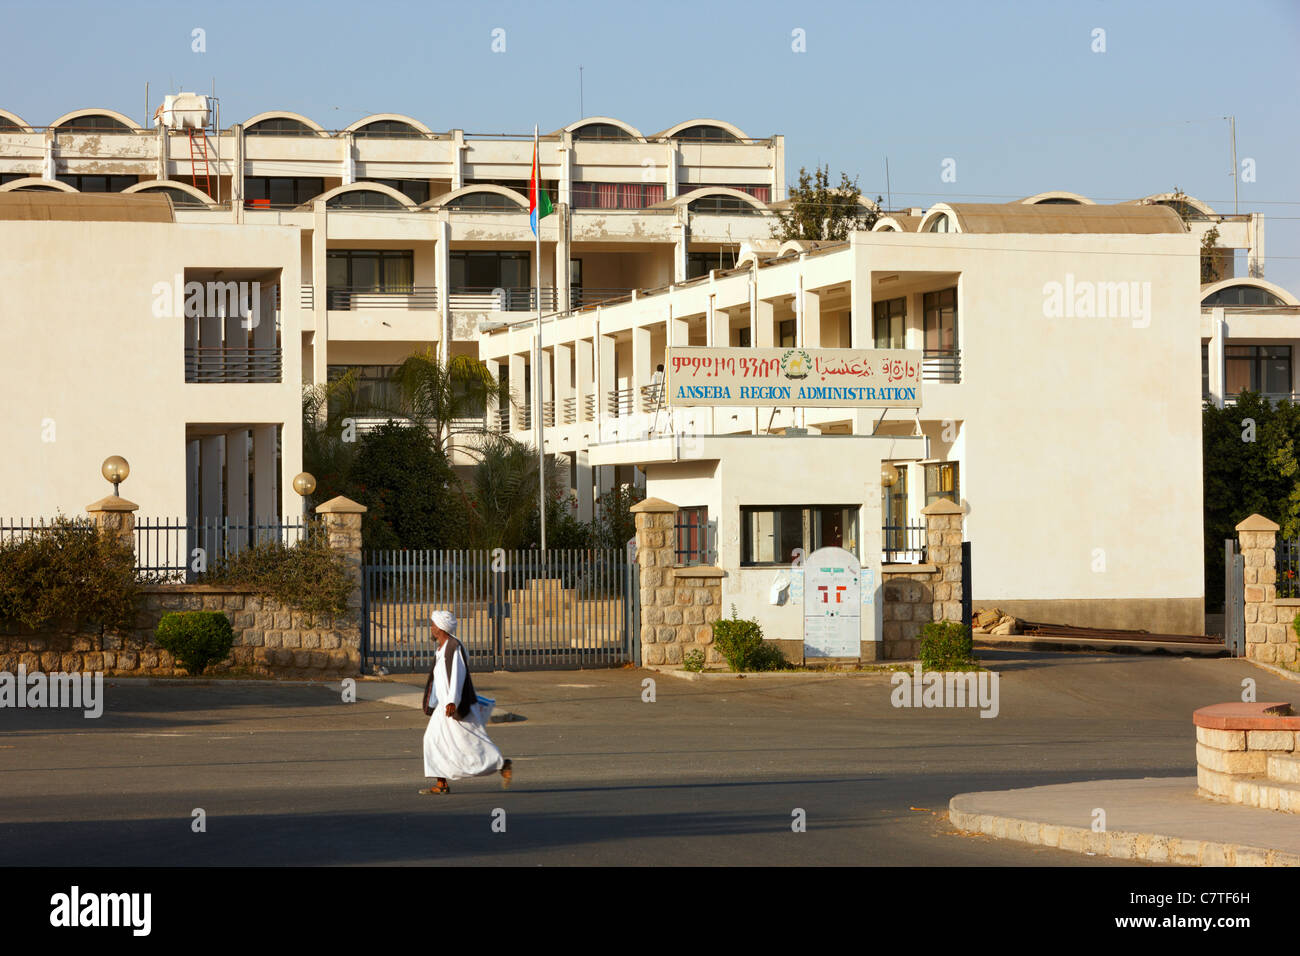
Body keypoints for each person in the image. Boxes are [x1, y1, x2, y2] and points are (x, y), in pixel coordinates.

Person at [419, 610, 512, 795]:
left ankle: (501, 764)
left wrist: (452, 701)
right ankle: (441, 783)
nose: (431, 628)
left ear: (441, 627)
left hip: (452, 705)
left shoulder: (453, 647)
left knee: (469, 741)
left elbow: (457, 675)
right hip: (444, 705)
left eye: (433, 624)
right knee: (433, 739)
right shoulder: (443, 647)